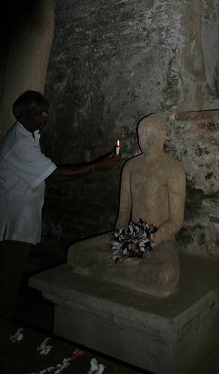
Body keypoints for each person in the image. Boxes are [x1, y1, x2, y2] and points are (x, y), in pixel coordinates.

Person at [0, 90, 120, 318]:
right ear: (25, 116)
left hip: (11, 224)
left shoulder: (27, 137)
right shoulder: (19, 144)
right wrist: (97, 166)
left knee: (3, 286)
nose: (47, 116)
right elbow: (54, 175)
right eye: (41, 113)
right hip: (7, 228)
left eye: (46, 110)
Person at [68, 113, 186, 297]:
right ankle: (128, 266)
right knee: (75, 253)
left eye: (152, 134)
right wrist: (123, 240)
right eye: (143, 134)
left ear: (162, 135)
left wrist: (148, 243)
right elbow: (123, 213)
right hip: (130, 234)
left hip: (160, 240)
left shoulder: (173, 168)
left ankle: (117, 266)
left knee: (166, 276)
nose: (147, 139)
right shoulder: (131, 167)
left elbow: (176, 221)